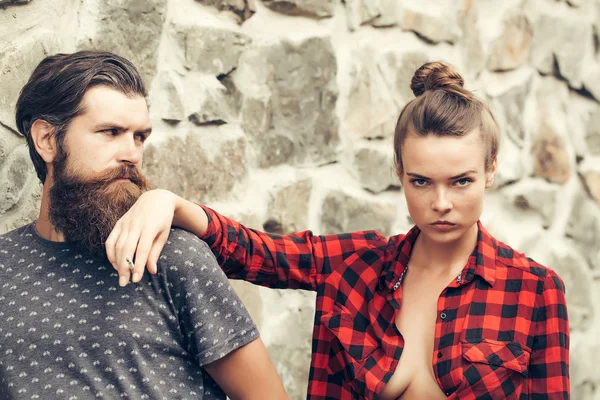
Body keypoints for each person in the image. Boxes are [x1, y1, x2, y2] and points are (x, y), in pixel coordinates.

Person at [107, 62, 570, 399]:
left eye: (462, 181)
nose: (441, 203)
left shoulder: (535, 290)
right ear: (399, 170)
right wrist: (165, 201)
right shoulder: (355, 265)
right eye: (421, 181)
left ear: (490, 171)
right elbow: (255, 252)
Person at [0, 50, 287, 400]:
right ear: (46, 139)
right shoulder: (5, 264)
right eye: (111, 132)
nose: (132, 154)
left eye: (139, 137)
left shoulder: (172, 258)